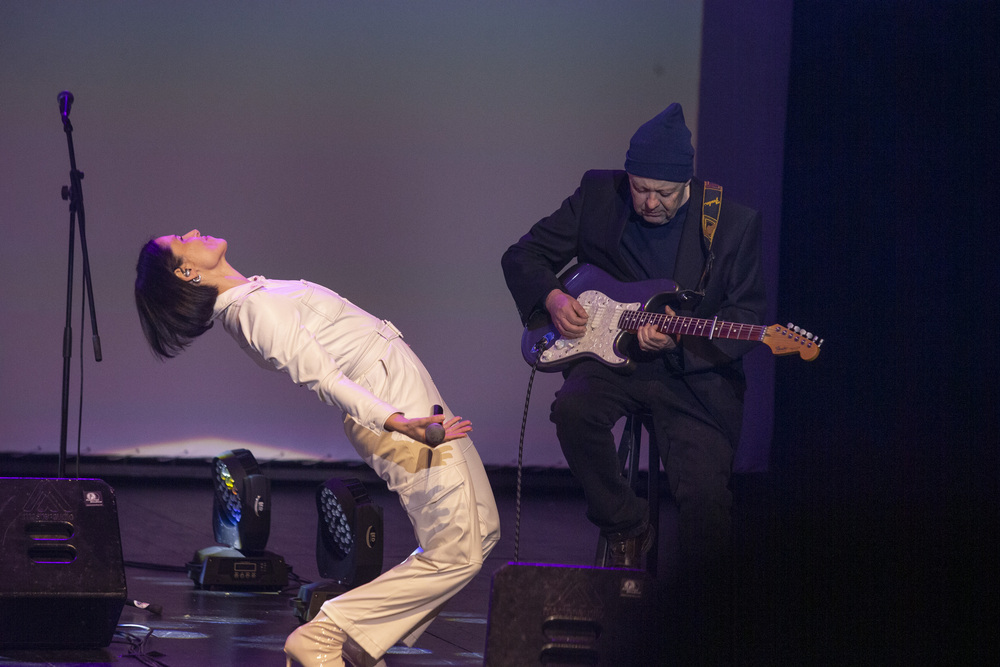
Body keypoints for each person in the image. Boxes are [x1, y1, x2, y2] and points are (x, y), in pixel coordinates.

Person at [135, 230, 500, 667]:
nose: (194, 231)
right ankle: (331, 632)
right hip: (392, 404)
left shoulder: (252, 294)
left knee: (479, 528)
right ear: (187, 271)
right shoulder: (254, 309)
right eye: (182, 238)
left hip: (397, 395)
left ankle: (358, 644)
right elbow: (326, 380)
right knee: (457, 547)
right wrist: (399, 421)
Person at [501, 103, 766, 664]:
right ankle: (626, 524)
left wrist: (676, 341)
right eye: (641, 188)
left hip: (690, 374)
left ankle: (706, 624)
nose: (649, 202)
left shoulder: (733, 224)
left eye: (663, 193)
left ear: (688, 184)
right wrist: (552, 296)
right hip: (607, 359)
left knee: (703, 498)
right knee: (572, 412)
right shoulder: (600, 195)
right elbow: (522, 254)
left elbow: (742, 321)